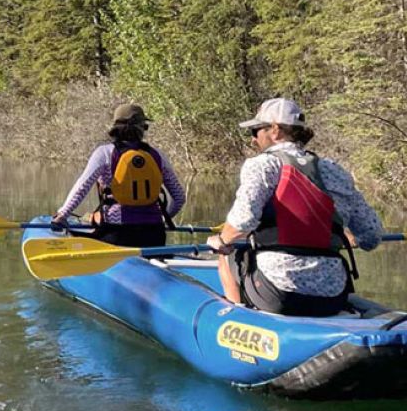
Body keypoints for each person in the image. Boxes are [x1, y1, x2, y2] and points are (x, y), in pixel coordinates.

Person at [206, 97, 382, 316]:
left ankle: (235, 318)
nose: (253, 140)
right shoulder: (334, 171)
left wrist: (220, 241)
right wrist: (349, 237)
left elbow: (243, 222)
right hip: (333, 295)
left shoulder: (262, 165)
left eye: (256, 131)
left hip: (279, 293)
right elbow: (372, 236)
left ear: (275, 130)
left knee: (227, 251)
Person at [51, 102, 186, 248]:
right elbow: (179, 197)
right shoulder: (157, 155)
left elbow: (82, 187)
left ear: (115, 128)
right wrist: (163, 220)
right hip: (154, 234)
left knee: (86, 235)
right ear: (143, 128)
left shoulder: (105, 153)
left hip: (117, 233)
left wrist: (63, 215)